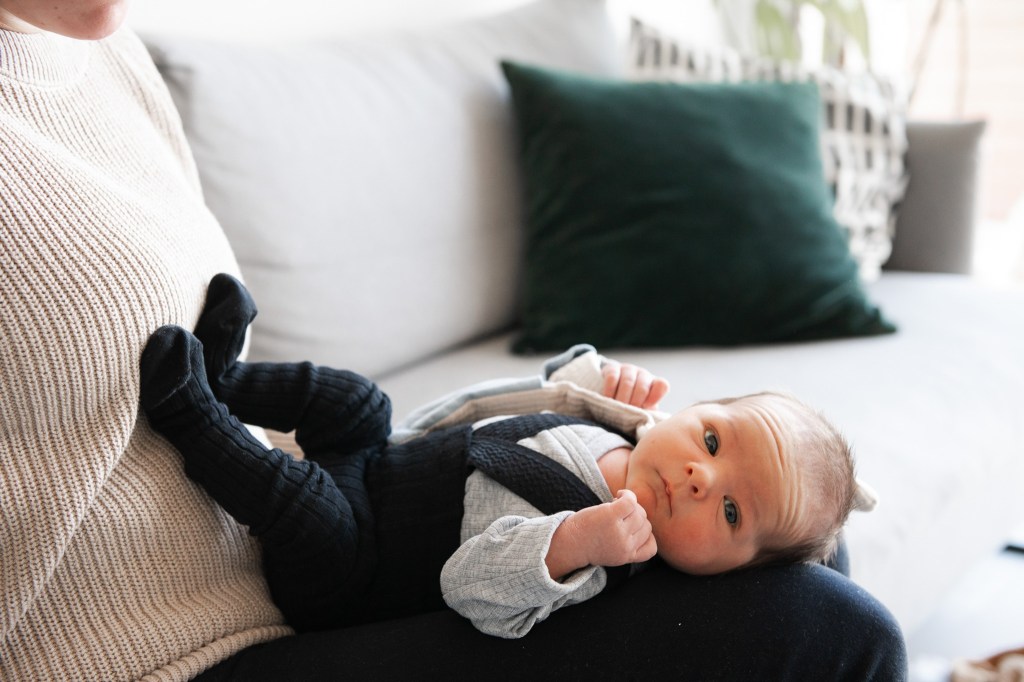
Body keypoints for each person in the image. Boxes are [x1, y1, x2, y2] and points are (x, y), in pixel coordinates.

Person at [0, 2, 907, 680]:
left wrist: (597, 406)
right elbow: (489, 553)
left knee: (812, 538)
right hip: (174, 651)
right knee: (839, 630)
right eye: (708, 438)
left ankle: (221, 381)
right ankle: (196, 412)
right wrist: (574, 537)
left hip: (303, 536)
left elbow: (543, 408)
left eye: (724, 498)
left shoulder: (108, 55)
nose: (702, 474)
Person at [139, 274, 873, 639]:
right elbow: (522, 403)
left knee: (304, 507)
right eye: (711, 439)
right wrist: (588, 378)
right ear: (692, 410)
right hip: (383, 462)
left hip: (353, 564)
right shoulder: (623, 428)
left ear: (731, 577)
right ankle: (227, 378)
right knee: (358, 402)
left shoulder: (601, 564)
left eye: (732, 511)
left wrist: (574, 543)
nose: (699, 477)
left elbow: (470, 587)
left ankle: (193, 415)